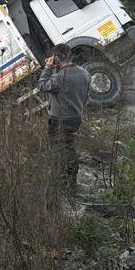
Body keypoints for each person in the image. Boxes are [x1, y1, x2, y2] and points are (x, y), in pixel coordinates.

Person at [37, 45, 91, 189]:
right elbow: (86, 97)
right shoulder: (85, 73)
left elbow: (42, 86)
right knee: (68, 147)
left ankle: (65, 183)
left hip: (59, 120)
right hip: (76, 117)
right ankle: (69, 181)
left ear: (57, 58)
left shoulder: (60, 78)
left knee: (60, 151)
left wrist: (48, 68)